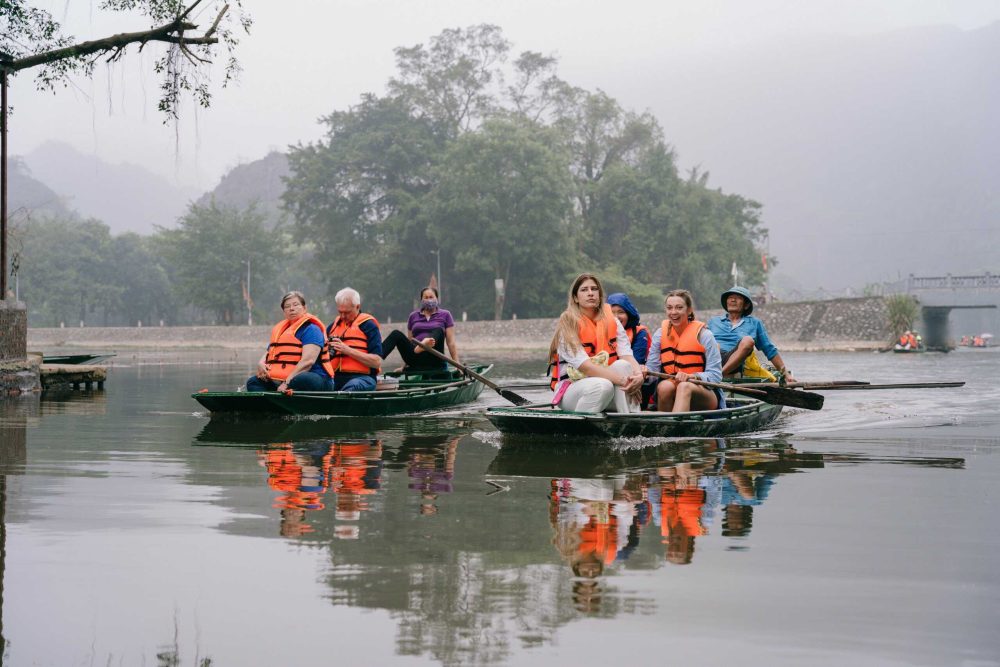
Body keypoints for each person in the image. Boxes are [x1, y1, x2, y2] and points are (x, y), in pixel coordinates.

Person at [549, 273, 645, 413]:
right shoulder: (569, 323)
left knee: (623, 365)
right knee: (602, 385)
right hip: (572, 390)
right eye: (584, 290)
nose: (590, 293)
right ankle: (579, 430)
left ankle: (629, 420)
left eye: (594, 289)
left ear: (599, 295)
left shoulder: (612, 320)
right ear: (575, 298)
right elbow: (586, 367)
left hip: (607, 388)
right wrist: (624, 381)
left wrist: (638, 377)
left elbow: (626, 355)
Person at [645, 289, 725, 412]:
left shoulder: (705, 335)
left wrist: (692, 376)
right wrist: (643, 372)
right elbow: (652, 370)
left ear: (689, 310)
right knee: (664, 386)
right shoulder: (660, 334)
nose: (673, 312)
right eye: (669, 308)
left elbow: (715, 375)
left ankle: (676, 429)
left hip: (704, 393)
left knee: (684, 386)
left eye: (679, 308)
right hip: (672, 389)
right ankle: (663, 427)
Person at [246, 291, 333, 393]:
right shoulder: (281, 330)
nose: (291, 308)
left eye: (296, 305)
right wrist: (261, 363)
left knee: (304, 380)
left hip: (314, 378)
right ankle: (273, 403)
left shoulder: (311, 329)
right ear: (284, 312)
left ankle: (283, 395)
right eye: (287, 306)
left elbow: (308, 362)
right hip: (282, 379)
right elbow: (270, 351)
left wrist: (287, 382)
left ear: (304, 308)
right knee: (253, 382)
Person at [707, 286, 796, 382]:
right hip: (713, 357)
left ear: (746, 305)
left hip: (734, 362)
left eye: (738, 298)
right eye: (730, 297)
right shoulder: (714, 321)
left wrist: (785, 373)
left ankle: (718, 375)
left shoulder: (754, 323)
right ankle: (709, 374)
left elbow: (769, 349)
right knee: (710, 342)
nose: (733, 300)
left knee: (748, 341)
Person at [381, 286, 459, 371]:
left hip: (434, 357)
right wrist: (403, 367)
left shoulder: (445, 315)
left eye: (431, 297)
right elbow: (410, 342)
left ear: (437, 298)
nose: (429, 300)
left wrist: (458, 366)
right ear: (421, 300)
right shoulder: (413, 316)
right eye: (426, 297)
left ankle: (424, 344)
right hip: (415, 355)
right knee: (396, 334)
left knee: (439, 330)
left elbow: (451, 343)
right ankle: (375, 356)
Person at [325, 287, 383, 391]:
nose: (343, 316)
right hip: (334, 378)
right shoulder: (332, 327)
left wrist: (347, 350)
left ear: (357, 307)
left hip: (363, 378)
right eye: (340, 312)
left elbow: (376, 362)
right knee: (316, 384)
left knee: (353, 386)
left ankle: (340, 401)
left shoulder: (369, 326)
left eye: (347, 312)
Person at [607, 292, 652, 364]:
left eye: (621, 312)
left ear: (629, 315)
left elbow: (637, 362)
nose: (616, 317)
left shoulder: (640, 333)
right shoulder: (600, 331)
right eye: (612, 313)